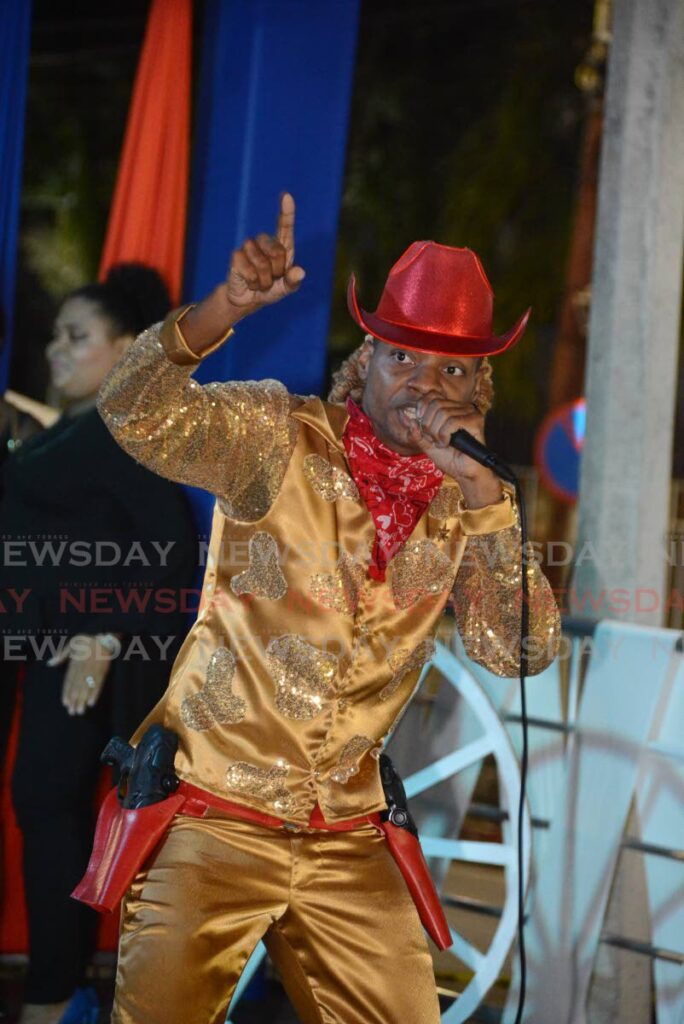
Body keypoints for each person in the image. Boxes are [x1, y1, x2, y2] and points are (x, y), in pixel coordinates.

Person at [95, 195, 560, 1024]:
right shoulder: (279, 435)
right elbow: (133, 411)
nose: (426, 385)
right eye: (405, 359)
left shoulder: (468, 503)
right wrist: (225, 308)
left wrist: (488, 497)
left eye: (453, 369)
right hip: (211, 812)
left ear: (478, 389)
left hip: (349, 832)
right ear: (367, 359)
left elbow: (517, 650)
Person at [1, 265, 197, 1024]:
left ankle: (54, 997)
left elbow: (173, 544)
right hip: (48, 648)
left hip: (84, 659)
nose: (55, 348)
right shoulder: (78, 428)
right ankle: (58, 989)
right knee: (45, 807)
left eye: (76, 336)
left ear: (123, 348)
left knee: (48, 806)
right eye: (55, 334)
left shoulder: (120, 427)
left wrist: (105, 630)